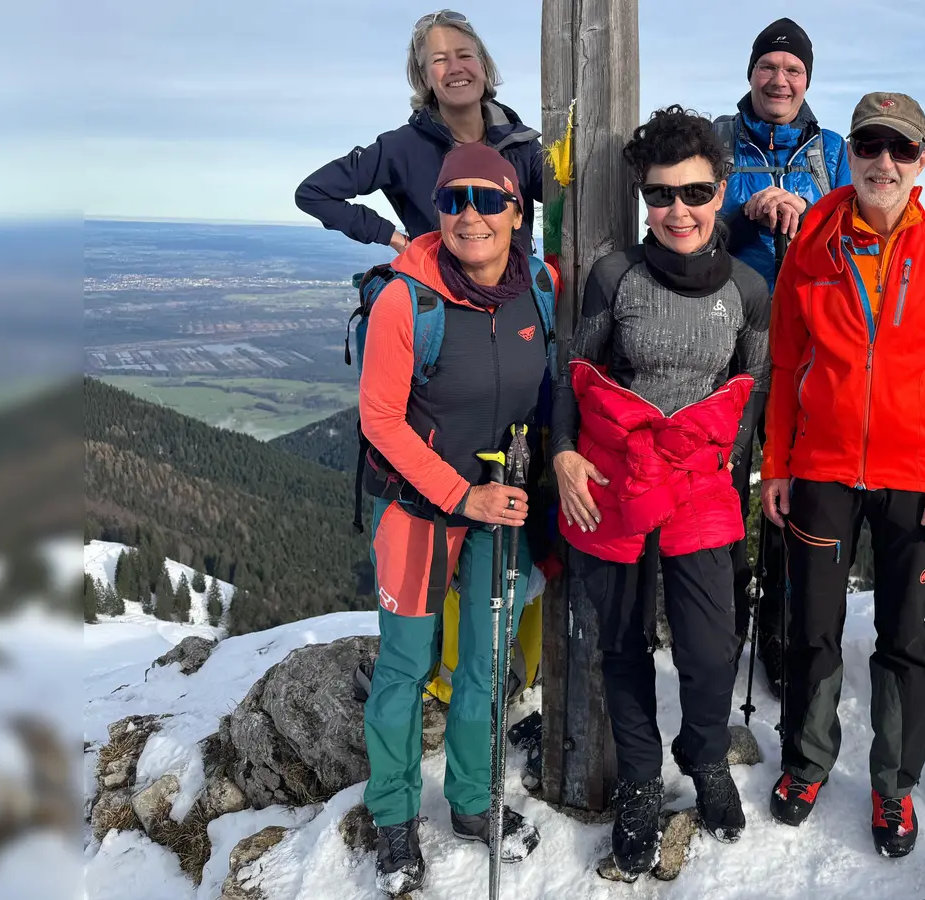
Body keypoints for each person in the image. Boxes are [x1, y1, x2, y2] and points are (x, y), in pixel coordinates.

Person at [760, 92, 925, 859]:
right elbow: (786, 362)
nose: (883, 162)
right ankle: (806, 763)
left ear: (922, 161)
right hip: (822, 468)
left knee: (904, 634)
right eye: (869, 145)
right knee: (812, 628)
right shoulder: (813, 246)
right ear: (850, 154)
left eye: (901, 148)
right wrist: (776, 463)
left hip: (916, 476)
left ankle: (894, 785)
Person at [550, 106, 770, 882]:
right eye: (660, 194)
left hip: (700, 481)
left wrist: (736, 473)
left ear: (721, 191)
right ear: (644, 197)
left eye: (696, 192)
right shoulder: (616, 278)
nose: (678, 210)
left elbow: (750, 392)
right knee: (622, 642)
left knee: (711, 648)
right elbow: (573, 373)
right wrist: (563, 453)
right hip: (613, 477)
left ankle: (704, 756)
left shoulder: (747, 288)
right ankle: (641, 782)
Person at [359, 143, 546, 896]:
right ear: (436, 210)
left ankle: (471, 801)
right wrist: (462, 496)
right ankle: (394, 816)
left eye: (489, 199)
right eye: (453, 199)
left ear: (516, 211)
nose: (471, 215)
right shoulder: (408, 300)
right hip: (420, 509)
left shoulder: (540, 288)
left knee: (486, 663)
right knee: (406, 665)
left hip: (502, 508)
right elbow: (380, 419)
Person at [715, 16, 851, 694]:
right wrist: (744, 214)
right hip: (727, 343)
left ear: (807, 80)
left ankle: (778, 630)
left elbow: (859, 235)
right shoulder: (717, 141)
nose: (780, 79)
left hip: (808, 347)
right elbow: (682, 225)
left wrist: (809, 212)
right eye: (768, 66)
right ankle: (721, 624)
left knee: (790, 491)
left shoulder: (834, 151)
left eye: (793, 70)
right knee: (721, 486)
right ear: (750, 74)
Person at [295, 9, 542, 254]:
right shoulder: (401, 148)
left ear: (483, 66)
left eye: (465, 55)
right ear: (424, 78)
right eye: (440, 60)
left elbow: (563, 196)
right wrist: (393, 238)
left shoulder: (521, 144)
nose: (455, 68)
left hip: (519, 280)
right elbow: (314, 192)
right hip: (434, 280)